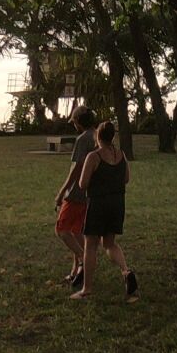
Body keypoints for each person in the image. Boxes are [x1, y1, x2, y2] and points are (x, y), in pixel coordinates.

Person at [71, 121, 137, 302]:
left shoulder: (94, 156)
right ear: (112, 137)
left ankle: (87, 289)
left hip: (98, 204)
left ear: (98, 137)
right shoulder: (121, 155)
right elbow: (126, 179)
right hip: (117, 203)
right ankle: (126, 270)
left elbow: (82, 184)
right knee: (109, 244)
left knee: (90, 245)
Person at [51, 107, 98, 288]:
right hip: (90, 192)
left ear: (79, 121)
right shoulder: (97, 136)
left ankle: (84, 262)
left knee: (62, 230)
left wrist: (62, 192)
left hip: (77, 192)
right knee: (77, 232)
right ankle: (75, 272)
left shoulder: (83, 139)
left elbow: (76, 168)